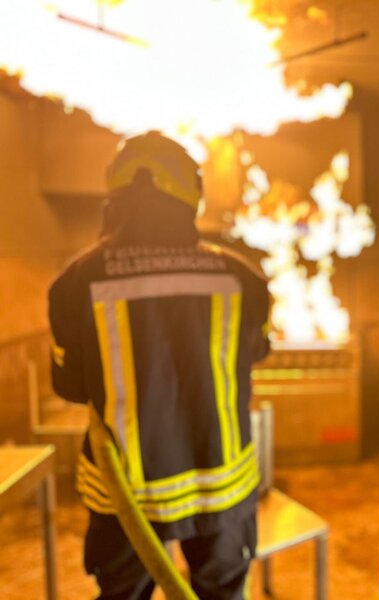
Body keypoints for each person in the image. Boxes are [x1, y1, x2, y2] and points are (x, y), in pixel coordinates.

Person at [48, 131, 270, 599]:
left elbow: (69, 387)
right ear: (191, 194)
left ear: (115, 193)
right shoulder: (243, 278)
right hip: (222, 488)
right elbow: (254, 355)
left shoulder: (75, 281)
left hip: (126, 494)